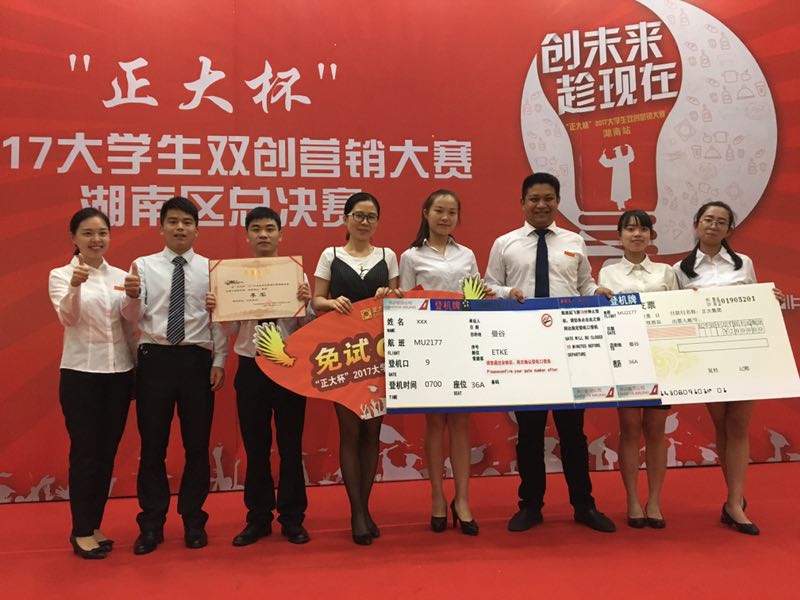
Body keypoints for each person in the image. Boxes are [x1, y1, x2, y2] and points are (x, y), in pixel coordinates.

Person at [484, 172, 617, 533]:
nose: (541, 205)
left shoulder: (574, 241)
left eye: (548, 198)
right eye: (534, 199)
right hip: (525, 347)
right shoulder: (505, 244)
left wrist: (597, 291)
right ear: (522, 202)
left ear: (558, 201)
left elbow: (584, 283)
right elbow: (489, 285)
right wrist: (507, 292)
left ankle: (584, 506)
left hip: (568, 347)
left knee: (573, 433)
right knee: (529, 433)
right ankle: (530, 506)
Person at [122, 196, 227, 554]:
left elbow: (218, 320)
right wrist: (131, 297)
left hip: (197, 360)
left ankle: (194, 521)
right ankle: (151, 524)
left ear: (197, 228)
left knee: (197, 445)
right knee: (153, 445)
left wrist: (219, 361)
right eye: (173, 221)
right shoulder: (143, 265)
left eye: (187, 222)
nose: (180, 228)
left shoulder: (212, 269)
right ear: (162, 227)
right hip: (155, 359)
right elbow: (132, 316)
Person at [674, 200, 784, 536]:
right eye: (708, 219)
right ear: (696, 224)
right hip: (707, 357)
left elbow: (757, 304)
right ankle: (733, 498)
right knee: (721, 425)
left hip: (745, 354)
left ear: (729, 229)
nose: (713, 226)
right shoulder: (680, 270)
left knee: (738, 425)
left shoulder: (744, 263)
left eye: (721, 222)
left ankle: (735, 502)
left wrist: (771, 300)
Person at [206, 207, 313, 546]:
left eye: (269, 228)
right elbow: (230, 330)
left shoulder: (295, 274)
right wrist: (218, 307)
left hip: (287, 365)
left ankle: (293, 518)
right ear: (247, 236)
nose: (263, 234)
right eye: (256, 229)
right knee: (256, 448)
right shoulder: (233, 276)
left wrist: (307, 305)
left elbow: (307, 328)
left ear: (281, 235)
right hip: (251, 367)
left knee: (291, 446)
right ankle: (258, 518)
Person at [312, 192, 400, 545]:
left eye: (371, 216)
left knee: (372, 433)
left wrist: (390, 296)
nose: (364, 222)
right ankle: (357, 514)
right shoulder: (330, 255)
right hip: (343, 355)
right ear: (346, 219)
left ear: (377, 221)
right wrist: (332, 302)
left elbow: (398, 299)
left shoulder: (388, 256)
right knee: (349, 432)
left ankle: (364, 508)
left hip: (379, 354)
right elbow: (316, 300)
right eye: (358, 215)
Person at [49, 208, 136, 559]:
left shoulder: (121, 275)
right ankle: (81, 530)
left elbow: (130, 321)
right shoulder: (60, 275)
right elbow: (68, 317)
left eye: (102, 233)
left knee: (106, 453)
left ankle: (94, 524)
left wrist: (134, 296)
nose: (96, 239)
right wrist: (74, 286)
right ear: (73, 238)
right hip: (81, 375)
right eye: (87, 233)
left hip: (119, 374)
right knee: (85, 453)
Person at [398, 189, 482, 535]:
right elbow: (404, 303)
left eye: (451, 212)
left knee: (460, 425)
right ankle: (436, 496)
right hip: (427, 347)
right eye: (439, 211)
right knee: (434, 424)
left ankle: (462, 499)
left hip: (461, 343)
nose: (445, 218)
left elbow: (475, 296)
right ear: (426, 212)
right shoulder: (410, 256)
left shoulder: (467, 255)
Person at [598, 210, 677, 529]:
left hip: (661, 359)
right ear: (620, 236)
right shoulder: (607, 274)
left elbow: (679, 311)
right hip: (626, 360)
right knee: (630, 429)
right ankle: (632, 499)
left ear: (651, 236)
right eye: (630, 229)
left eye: (643, 229)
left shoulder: (666, 272)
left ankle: (654, 500)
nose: (636, 234)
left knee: (656, 431)